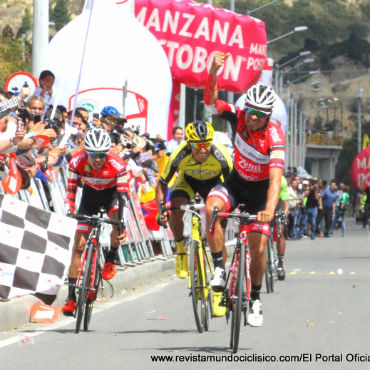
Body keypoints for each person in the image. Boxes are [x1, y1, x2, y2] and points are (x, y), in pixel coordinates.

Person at [203, 52, 285, 325]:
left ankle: (256, 300)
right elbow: (210, 102)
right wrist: (213, 73)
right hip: (236, 184)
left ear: (268, 116)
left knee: (259, 247)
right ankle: (218, 268)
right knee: (210, 208)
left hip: (261, 195)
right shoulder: (237, 116)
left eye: (259, 116)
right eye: (250, 112)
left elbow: (275, 178)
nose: (253, 119)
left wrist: (270, 211)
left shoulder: (274, 137)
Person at [156, 120, 233, 294]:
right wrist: (162, 209)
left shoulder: (220, 154)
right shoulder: (179, 153)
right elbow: (161, 185)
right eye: (198, 145)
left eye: (206, 144)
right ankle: (181, 249)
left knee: (217, 225)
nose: (203, 149)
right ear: (189, 144)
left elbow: (233, 185)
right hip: (188, 181)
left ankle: (219, 283)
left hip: (214, 184)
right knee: (176, 207)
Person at [62, 128, 129, 315]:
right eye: (93, 155)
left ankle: (111, 257)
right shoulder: (76, 162)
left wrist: (120, 223)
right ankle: (70, 297)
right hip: (89, 198)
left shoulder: (118, 164)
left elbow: (123, 195)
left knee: (117, 223)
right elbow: (71, 190)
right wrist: (69, 209)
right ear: (86, 152)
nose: (97, 159)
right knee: (79, 246)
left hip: (112, 196)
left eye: (101, 155)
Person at [276, 175, 289, 280]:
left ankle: (280, 264)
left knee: (280, 232)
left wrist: (284, 216)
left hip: (277, 207)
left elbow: (285, 202)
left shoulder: (281, 180)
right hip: (262, 205)